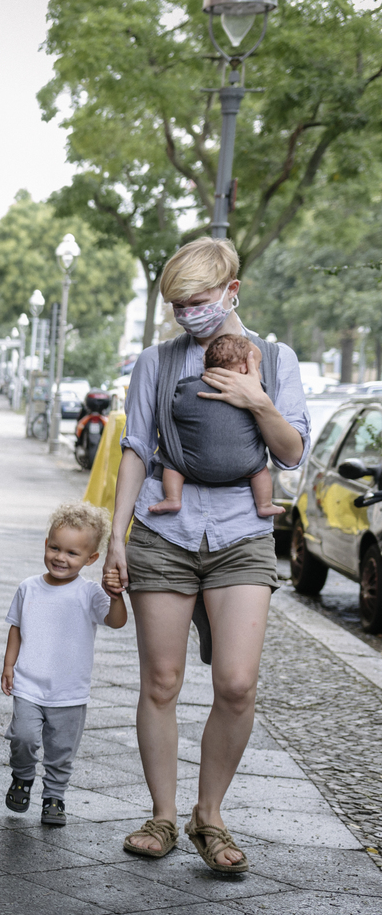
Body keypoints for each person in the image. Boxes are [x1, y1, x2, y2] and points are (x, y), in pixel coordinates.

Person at [103, 237, 308, 874]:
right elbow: (136, 447)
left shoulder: (274, 359)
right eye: (177, 304)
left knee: (237, 684)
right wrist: (116, 534)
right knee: (161, 682)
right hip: (166, 531)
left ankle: (208, 814)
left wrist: (259, 401)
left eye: (197, 300)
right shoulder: (156, 362)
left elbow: (292, 452)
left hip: (243, 532)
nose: (187, 313)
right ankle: (163, 816)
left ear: (231, 292)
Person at [0, 502, 128, 827]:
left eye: (72, 553)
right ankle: (22, 775)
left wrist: (115, 595)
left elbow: (116, 621)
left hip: (70, 691)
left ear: (91, 559)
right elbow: (16, 628)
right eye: (55, 548)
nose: (61, 557)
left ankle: (54, 796)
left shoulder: (89, 593)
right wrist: (9, 665)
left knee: (61, 750)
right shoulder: (28, 588)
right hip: (28, 684)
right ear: (45, 544)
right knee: (23, 737)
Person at [145, 334, 279, 519]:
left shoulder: (187, 390)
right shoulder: (258, 393)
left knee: (171, 462)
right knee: (261, 470)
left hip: (190, 466)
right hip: (246, 466)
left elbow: (171, 407)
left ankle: (173, 498)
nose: (260, 373)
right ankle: (264, 504)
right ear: (245, 368)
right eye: (258, 366)